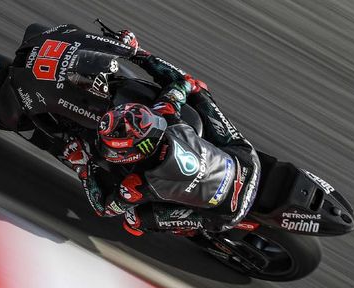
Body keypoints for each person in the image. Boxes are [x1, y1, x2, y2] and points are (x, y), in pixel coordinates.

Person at [63, 30, 260, 236]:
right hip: (247, 163)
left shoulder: (137, 185)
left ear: (133, 153)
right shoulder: (167, 118)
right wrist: (137, 53)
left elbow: (105, 208)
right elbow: (181, 82)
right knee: (195, 88)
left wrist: (83, 167)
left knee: (134, 221)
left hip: (228, 212)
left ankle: (189, 230)